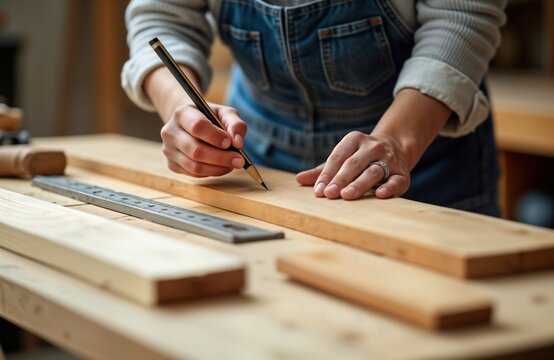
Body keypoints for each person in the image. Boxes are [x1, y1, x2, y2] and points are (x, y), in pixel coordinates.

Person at [122, 0, 507, 216]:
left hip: (424, 171)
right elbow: (161, 17)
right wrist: (184, 109)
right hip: (256, 160)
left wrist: (396, 141)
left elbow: (462, 18)